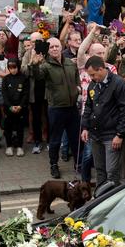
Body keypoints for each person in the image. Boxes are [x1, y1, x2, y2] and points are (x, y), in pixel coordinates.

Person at [29, 36, 80, 179]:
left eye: (57, 46)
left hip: (72, 108)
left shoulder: (70, 63)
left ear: (61, 47)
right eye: (51, 47)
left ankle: (78, 164)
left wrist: (79, 88)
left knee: (75, 139)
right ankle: (54, 165)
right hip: (56, 108)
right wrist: (34, 64)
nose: (55, 49)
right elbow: (37, 76)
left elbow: (77, 79)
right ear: (48, 50)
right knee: (55, 140)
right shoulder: (45, 66)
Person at [80, 55, 125, 188]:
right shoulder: (93, 84)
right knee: (100, 170)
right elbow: (89, 107)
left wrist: (120, 135)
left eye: (93, 74)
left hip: (111, 136)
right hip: (96, 134)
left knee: (111, 173)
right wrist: (85, 127)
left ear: (101, 69)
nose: (91, 78)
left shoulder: (120, 84)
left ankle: (110, 202)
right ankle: (99, 199)